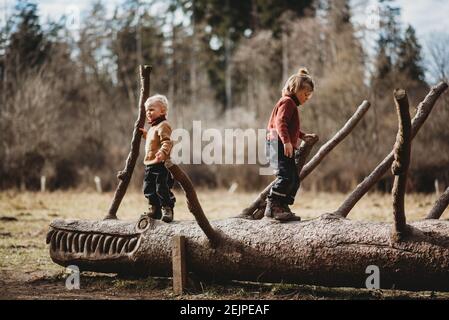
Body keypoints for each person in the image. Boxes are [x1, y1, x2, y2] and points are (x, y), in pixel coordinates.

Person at [265, 67, 317, 221]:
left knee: (294, 178)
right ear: (295, 89)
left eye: (309, 95)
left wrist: (301, 135)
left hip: (282, 144)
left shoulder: (290, 104)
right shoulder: (287, 102)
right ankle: (273, 205)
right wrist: (287, 142)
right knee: (286, 177)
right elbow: (280, 122)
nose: (307, 98)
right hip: (277, 144)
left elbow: (289, 126)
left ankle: (282, 205)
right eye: (305, 94)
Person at [139, 94, 176, 222]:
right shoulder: (153, 127)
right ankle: (154, 209)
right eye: (147, 110)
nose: (148, 113)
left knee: (162, 187)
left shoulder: (164, 125)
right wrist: (145, 135)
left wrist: (162, 152)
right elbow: (152, 140)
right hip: (150, 164)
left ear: (163, 111)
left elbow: (167, 142)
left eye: (151, 109)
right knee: (148, 188)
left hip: (161, 164)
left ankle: (167, 208)